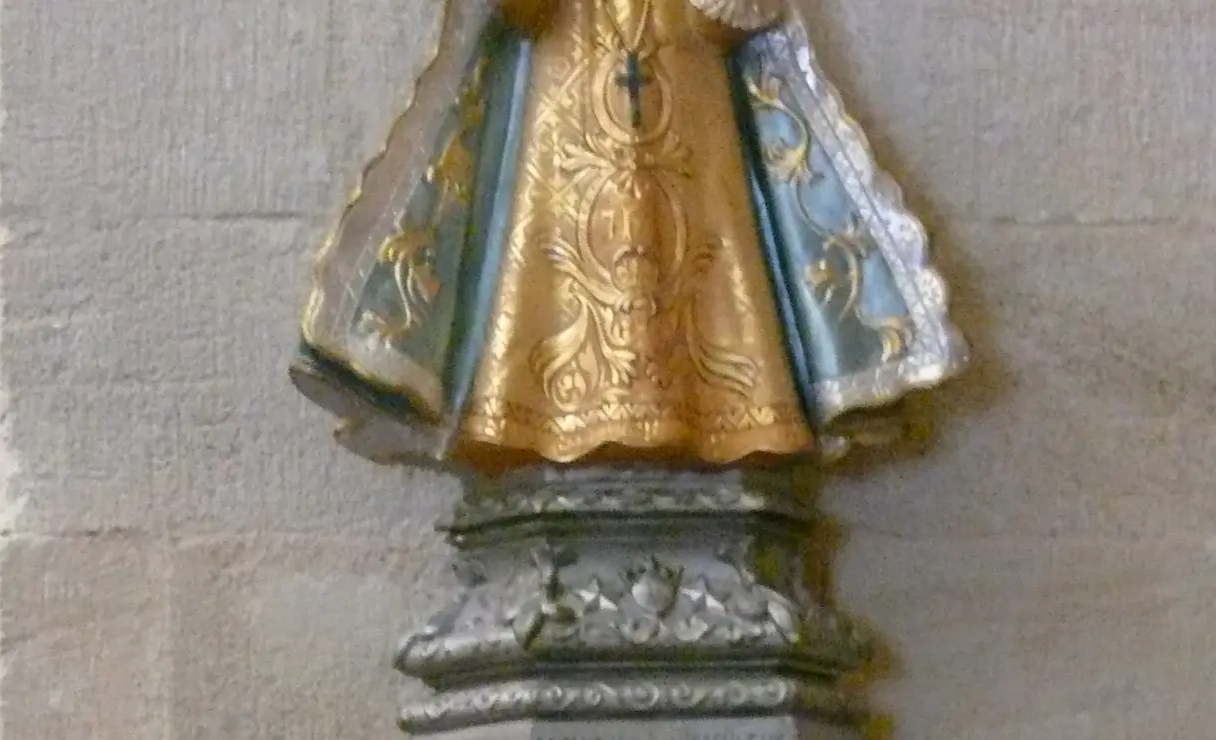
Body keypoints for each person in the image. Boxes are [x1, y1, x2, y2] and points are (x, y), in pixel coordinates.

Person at [296, 0, 967, 467]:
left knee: (703, 227)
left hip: (686, 73)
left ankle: (725, 405)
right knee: (556, 230)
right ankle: (529, 406)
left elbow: (738, 16)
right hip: (565, 72)